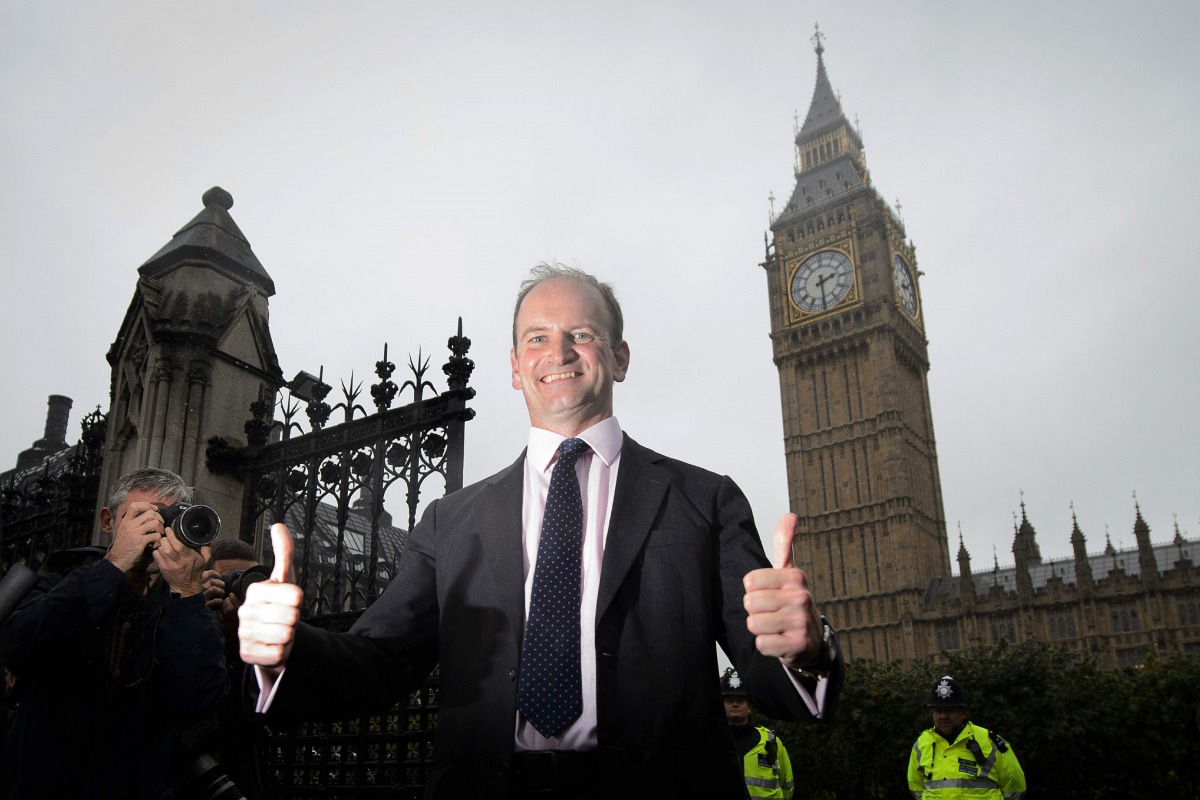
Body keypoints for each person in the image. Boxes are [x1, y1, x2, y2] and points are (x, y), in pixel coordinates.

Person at [239, 263, 846, 799]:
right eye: (537, 338)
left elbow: (776, 679)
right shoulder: (450, 522)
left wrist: (805, 648)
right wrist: (289, 650)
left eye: (581, 334)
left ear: (620, 357)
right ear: (514, 367)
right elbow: (377, 661)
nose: (558, 352)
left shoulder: (704, 500)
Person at [3, 467, 227, 800]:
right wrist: (115, 565)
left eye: (167, 519)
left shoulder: (185, 600)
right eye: (144, 517)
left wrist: (186, 591)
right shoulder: (62, 579)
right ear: (108, 522)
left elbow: (199, 700)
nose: (156, 530)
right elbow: (20, 647)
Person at [907, 676, 1026, 800]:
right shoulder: (921, 744)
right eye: (938, 711)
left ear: (964, 713)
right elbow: (916, 788)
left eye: (949, 710)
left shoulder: (990, 742)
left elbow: (1015, 787)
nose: (943, 716)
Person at [722, 667, 795, 799]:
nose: (735, 705)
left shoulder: (771, 742)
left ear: (749, 706)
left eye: (740, 700)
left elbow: (788, 786)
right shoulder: (711, 742)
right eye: (729, 701)